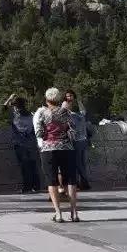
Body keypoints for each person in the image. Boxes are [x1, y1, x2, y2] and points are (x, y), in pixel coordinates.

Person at [34, 88, 79, 222]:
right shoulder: (66, 112)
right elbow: (73, 130)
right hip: (66, 148)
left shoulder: (42, 113)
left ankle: (58, 213)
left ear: (47, 100)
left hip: (49, 149)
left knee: (51, 180)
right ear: (59, 99)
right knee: (71, 180)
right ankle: (74, 212)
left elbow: (39, 133)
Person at [3, 93, 40, 193]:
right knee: (32, 164)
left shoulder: (15, 115)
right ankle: (36, 185)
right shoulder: (31, 115)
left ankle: (27, 186)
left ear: (15, 106)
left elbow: (4, 107)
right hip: (31, 142)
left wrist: (10, 98)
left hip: (19, 143)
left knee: (24, 166)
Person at [63, 90, 91, 190]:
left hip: (80, 140)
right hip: (76, 140)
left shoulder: (77, 113)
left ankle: (84, 182)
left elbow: (84, 112)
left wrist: (78, 101)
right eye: (67, 96)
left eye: (70, 96)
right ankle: (82, 182)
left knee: (80, 163)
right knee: (79, 163)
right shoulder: (69, 113)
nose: (69, 98)